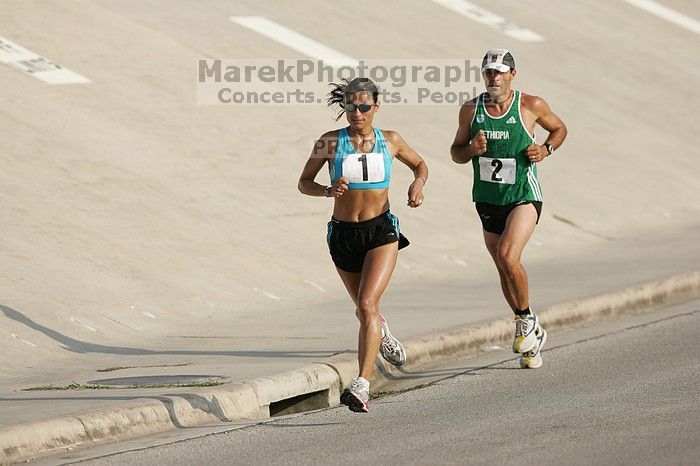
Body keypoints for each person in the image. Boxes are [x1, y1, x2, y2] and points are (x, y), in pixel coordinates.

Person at [298, 77, 428, 412]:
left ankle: (362, 384)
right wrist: (327, 191)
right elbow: (304, 182)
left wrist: (418, 184)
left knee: (368, 304)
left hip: (380, 231)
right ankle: (380, 330)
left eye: (364, 106)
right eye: (350, 106)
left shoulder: (391, 140)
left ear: (376, 106)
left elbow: (420, 164)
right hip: (343, 234)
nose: (357, 113)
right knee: (363, 309)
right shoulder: (329, 143)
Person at [450, 49, 567, 369]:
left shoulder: (531, 105)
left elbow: (559, 129)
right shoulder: (471, 110)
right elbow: (456, 153)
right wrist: (471, 149)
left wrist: (545, 149)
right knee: (503, 265)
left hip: (523, 195)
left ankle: (526, 319)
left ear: (513, 74)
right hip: (488, 198)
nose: (494, 77)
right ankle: (531, 340)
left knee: (507, 255)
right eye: (489, 72)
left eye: (500, 72)